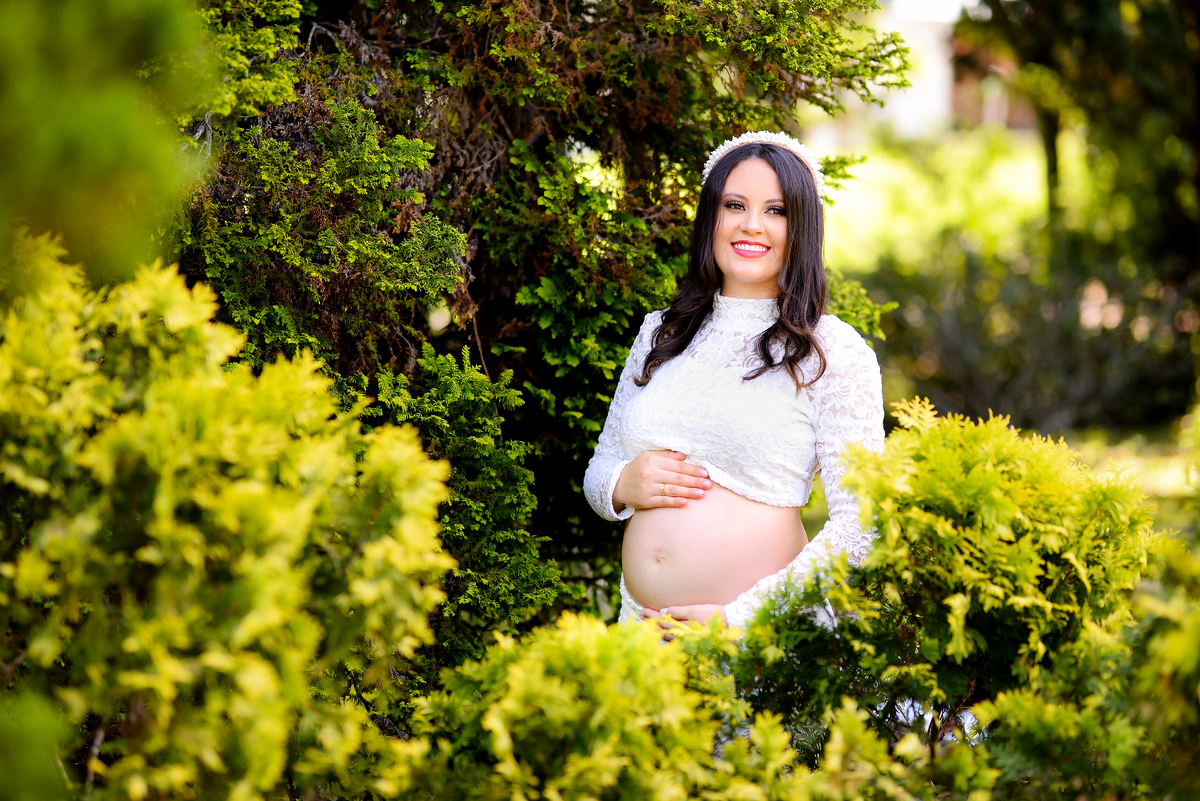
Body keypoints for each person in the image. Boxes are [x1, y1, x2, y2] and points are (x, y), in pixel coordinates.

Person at [582, 130, 885, 632]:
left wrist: (736, 621)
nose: (751, 225)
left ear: (802, 227)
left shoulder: (832, 351)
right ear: (711, 217)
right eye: (735, 204)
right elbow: (602, 465)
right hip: (640, 634)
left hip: (757, 640)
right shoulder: (663, 331)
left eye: (776, 211)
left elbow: (862, 523)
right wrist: (620, 485)